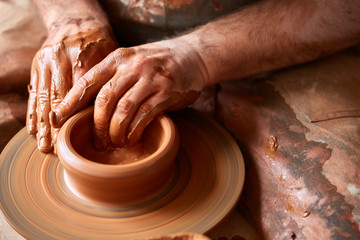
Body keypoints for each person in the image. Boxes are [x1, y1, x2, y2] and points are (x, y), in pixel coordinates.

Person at [27, 0, 360, 153]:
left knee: (336, 216)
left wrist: (198, 55)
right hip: (99, 17)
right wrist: (69, 16)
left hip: (267, 34)